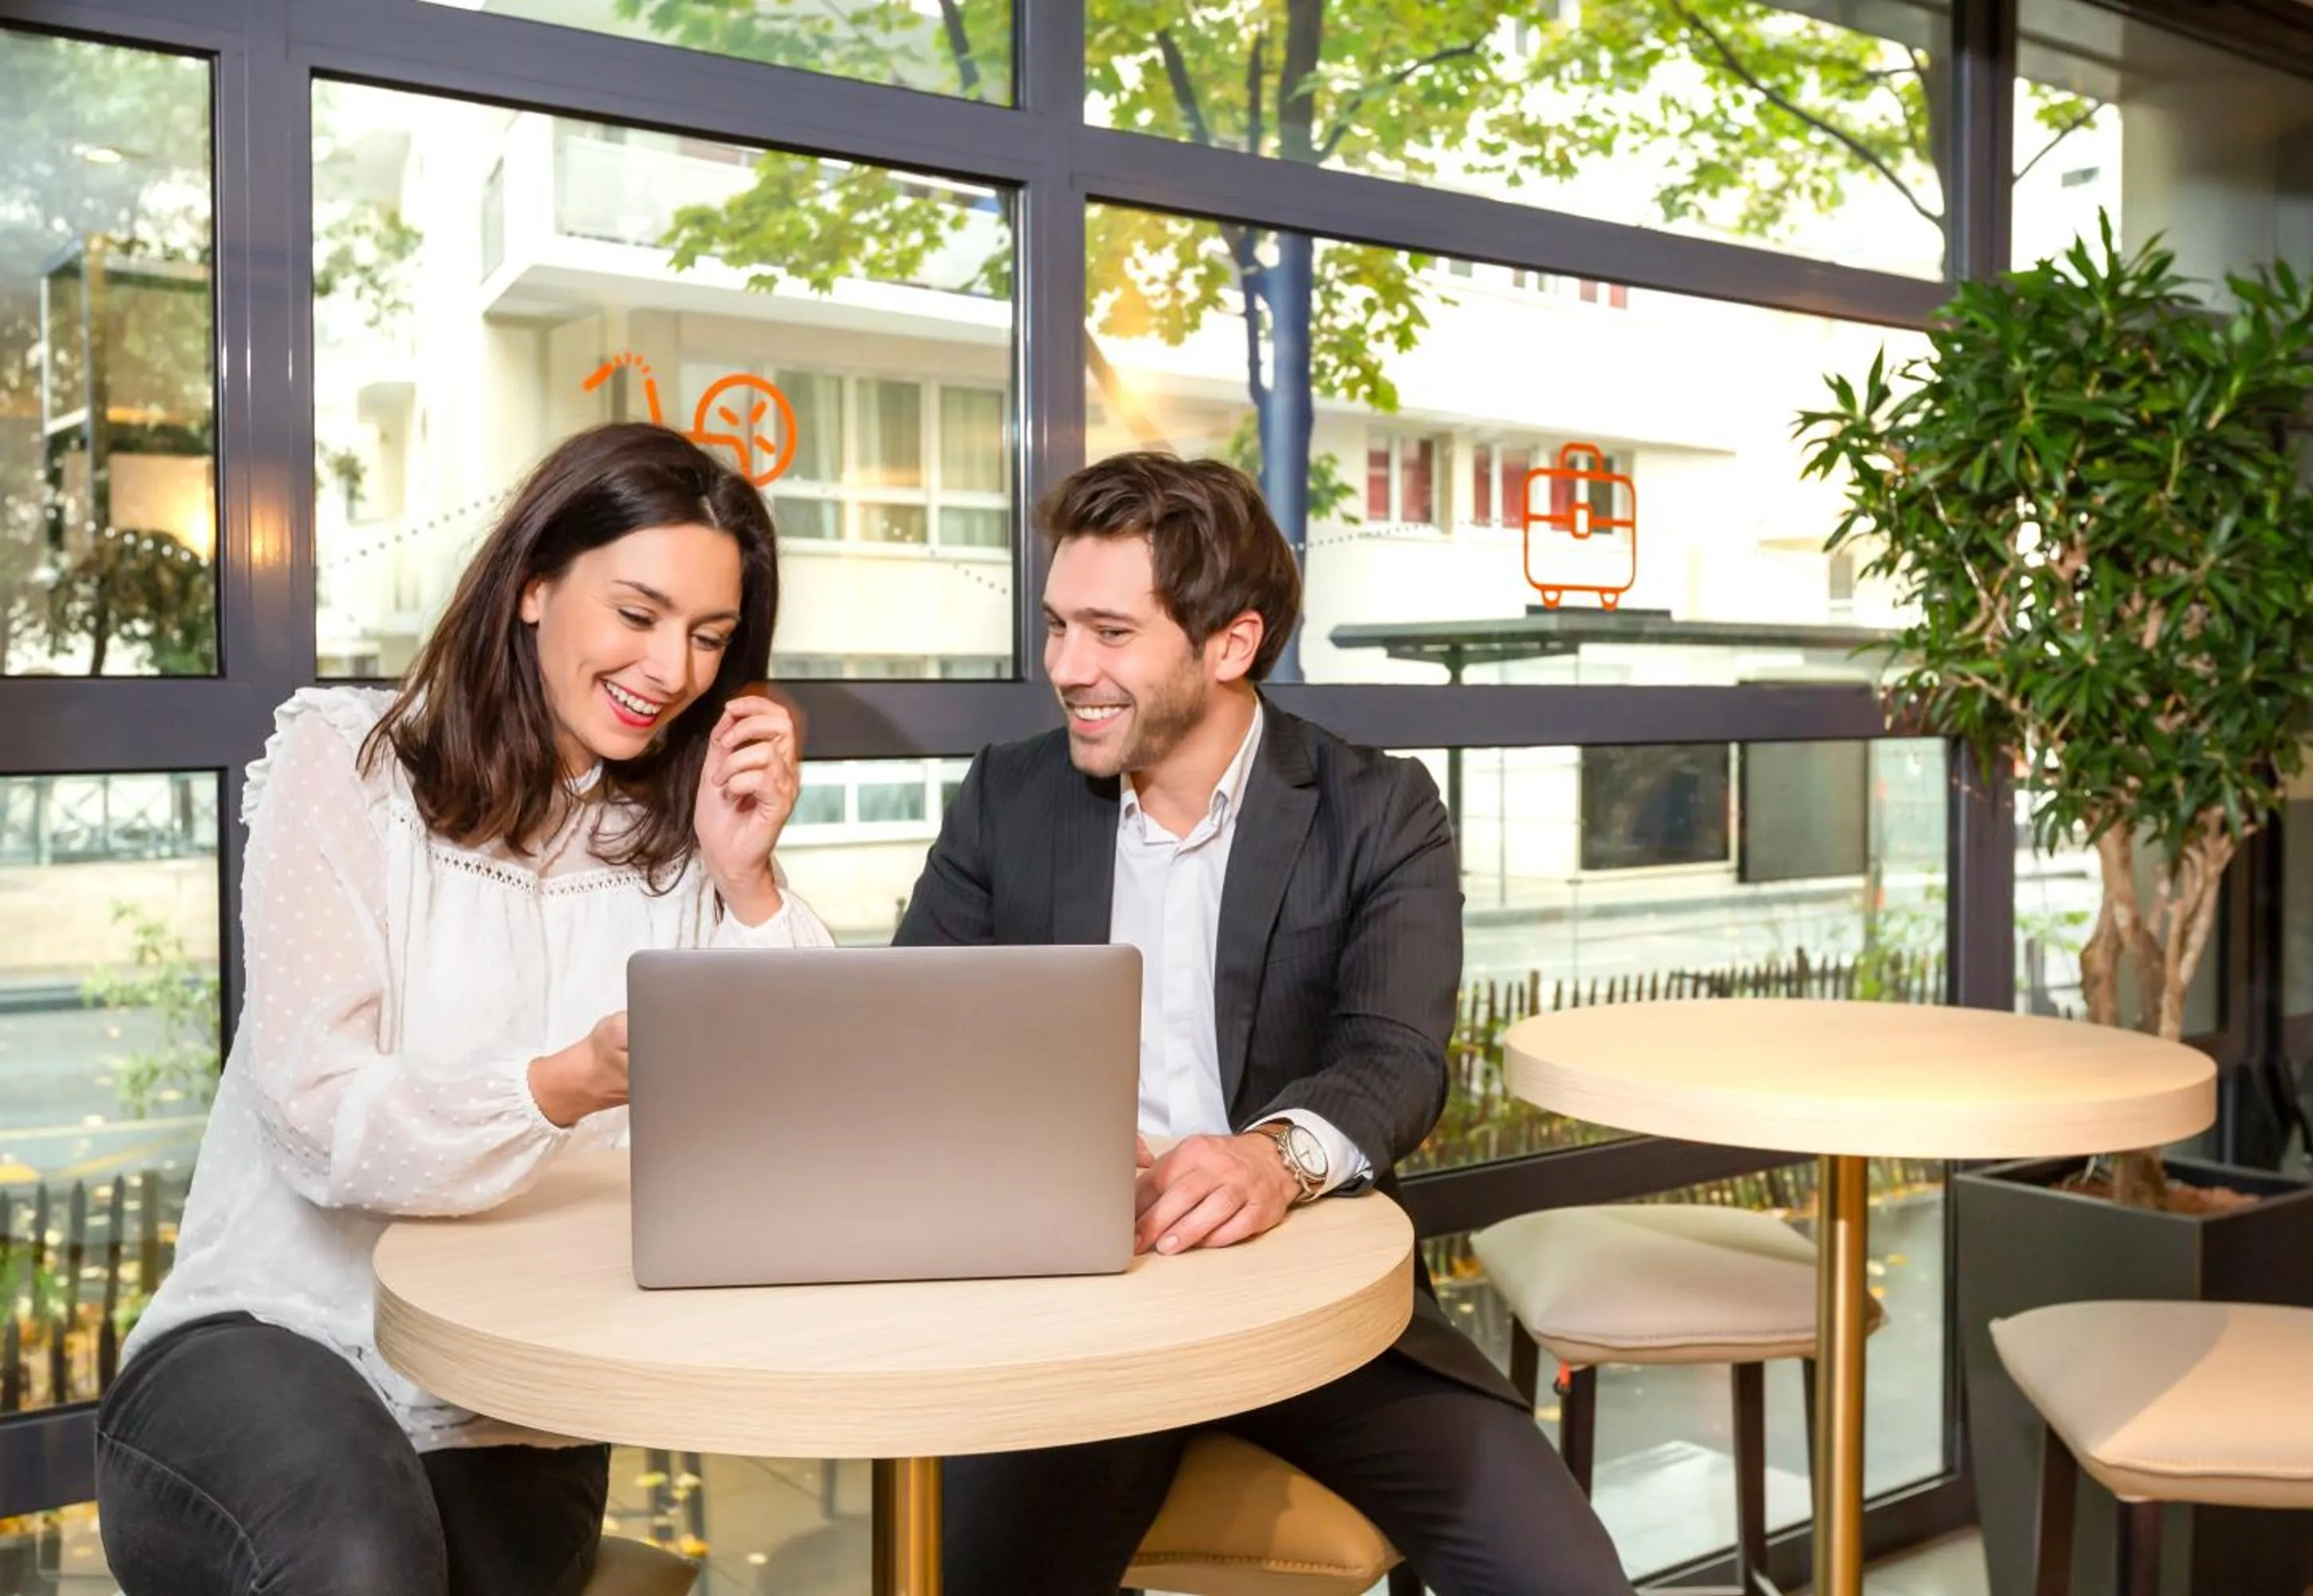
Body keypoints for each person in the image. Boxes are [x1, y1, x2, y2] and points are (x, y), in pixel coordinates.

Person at [95, 423, 833, 1596]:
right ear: (534, 584)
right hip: (272, 1337)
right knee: (361, 1558)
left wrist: (747, 882)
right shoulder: (350, 766)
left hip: (508, 1400)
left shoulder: (684, 834)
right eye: (637, 615)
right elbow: (317, 1118)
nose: (673, 669)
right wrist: (561, 1087)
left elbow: (802, 1135)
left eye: (709, 636)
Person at [896, 452, 1634, 1596]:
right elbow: (914, 1042)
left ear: (1231, 644)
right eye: (1057, 627)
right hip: (1079, 1319)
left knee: (1565, 1584)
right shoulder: (1009, 795)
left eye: (1109, 633)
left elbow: (1395, 1058)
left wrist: (1270, 1160)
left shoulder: (1379, 808)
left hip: (1317, 1311)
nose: (1067, 668)